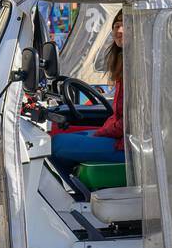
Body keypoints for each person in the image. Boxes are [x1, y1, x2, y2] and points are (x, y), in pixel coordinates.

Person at [50, 11, 125, 168]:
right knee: (57, 136)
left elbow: (130, 122)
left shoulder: (138, 68)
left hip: (127, 145)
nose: (119, 31)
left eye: (126, 25)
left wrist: (103, 132)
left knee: (53, 145)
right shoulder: (123, 64)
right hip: (120, 136)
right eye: (117, 26)